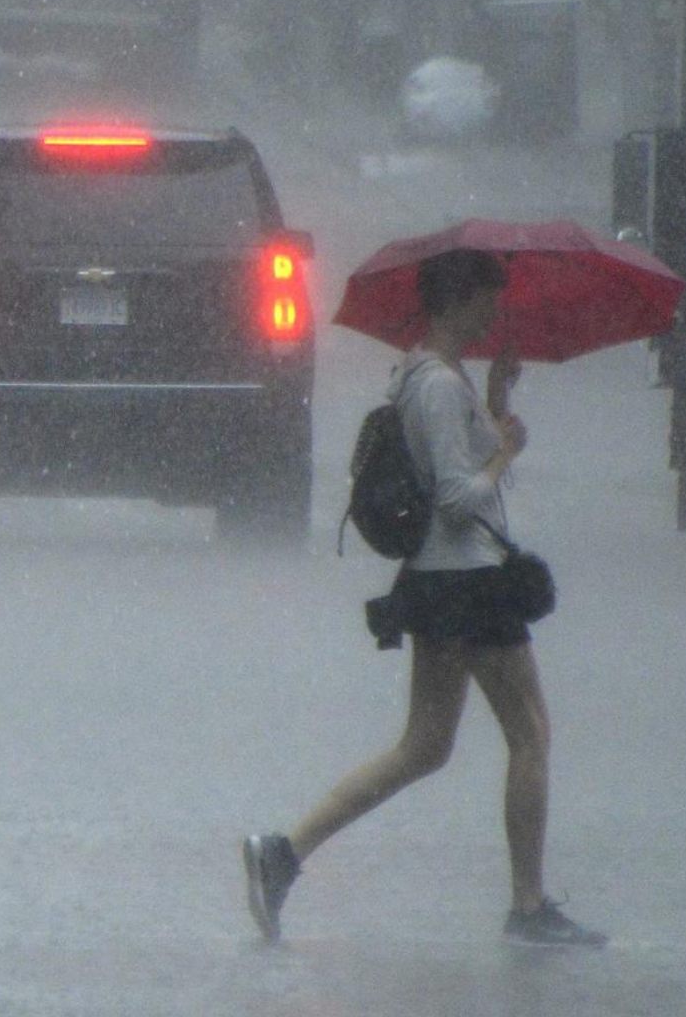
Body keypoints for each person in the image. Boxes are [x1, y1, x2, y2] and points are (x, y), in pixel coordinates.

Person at [242, 249, 605, 949]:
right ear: (457, 301)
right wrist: (502, 452)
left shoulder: (434, 377)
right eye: (488, 300)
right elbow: (459, 498)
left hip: (447, 582)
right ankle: (528, 906)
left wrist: (497, 402)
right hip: (467, 581)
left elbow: (465, 469)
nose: (496, 313)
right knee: (529, 734)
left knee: (424, 747)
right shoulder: (436, 385)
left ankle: (283, 853)